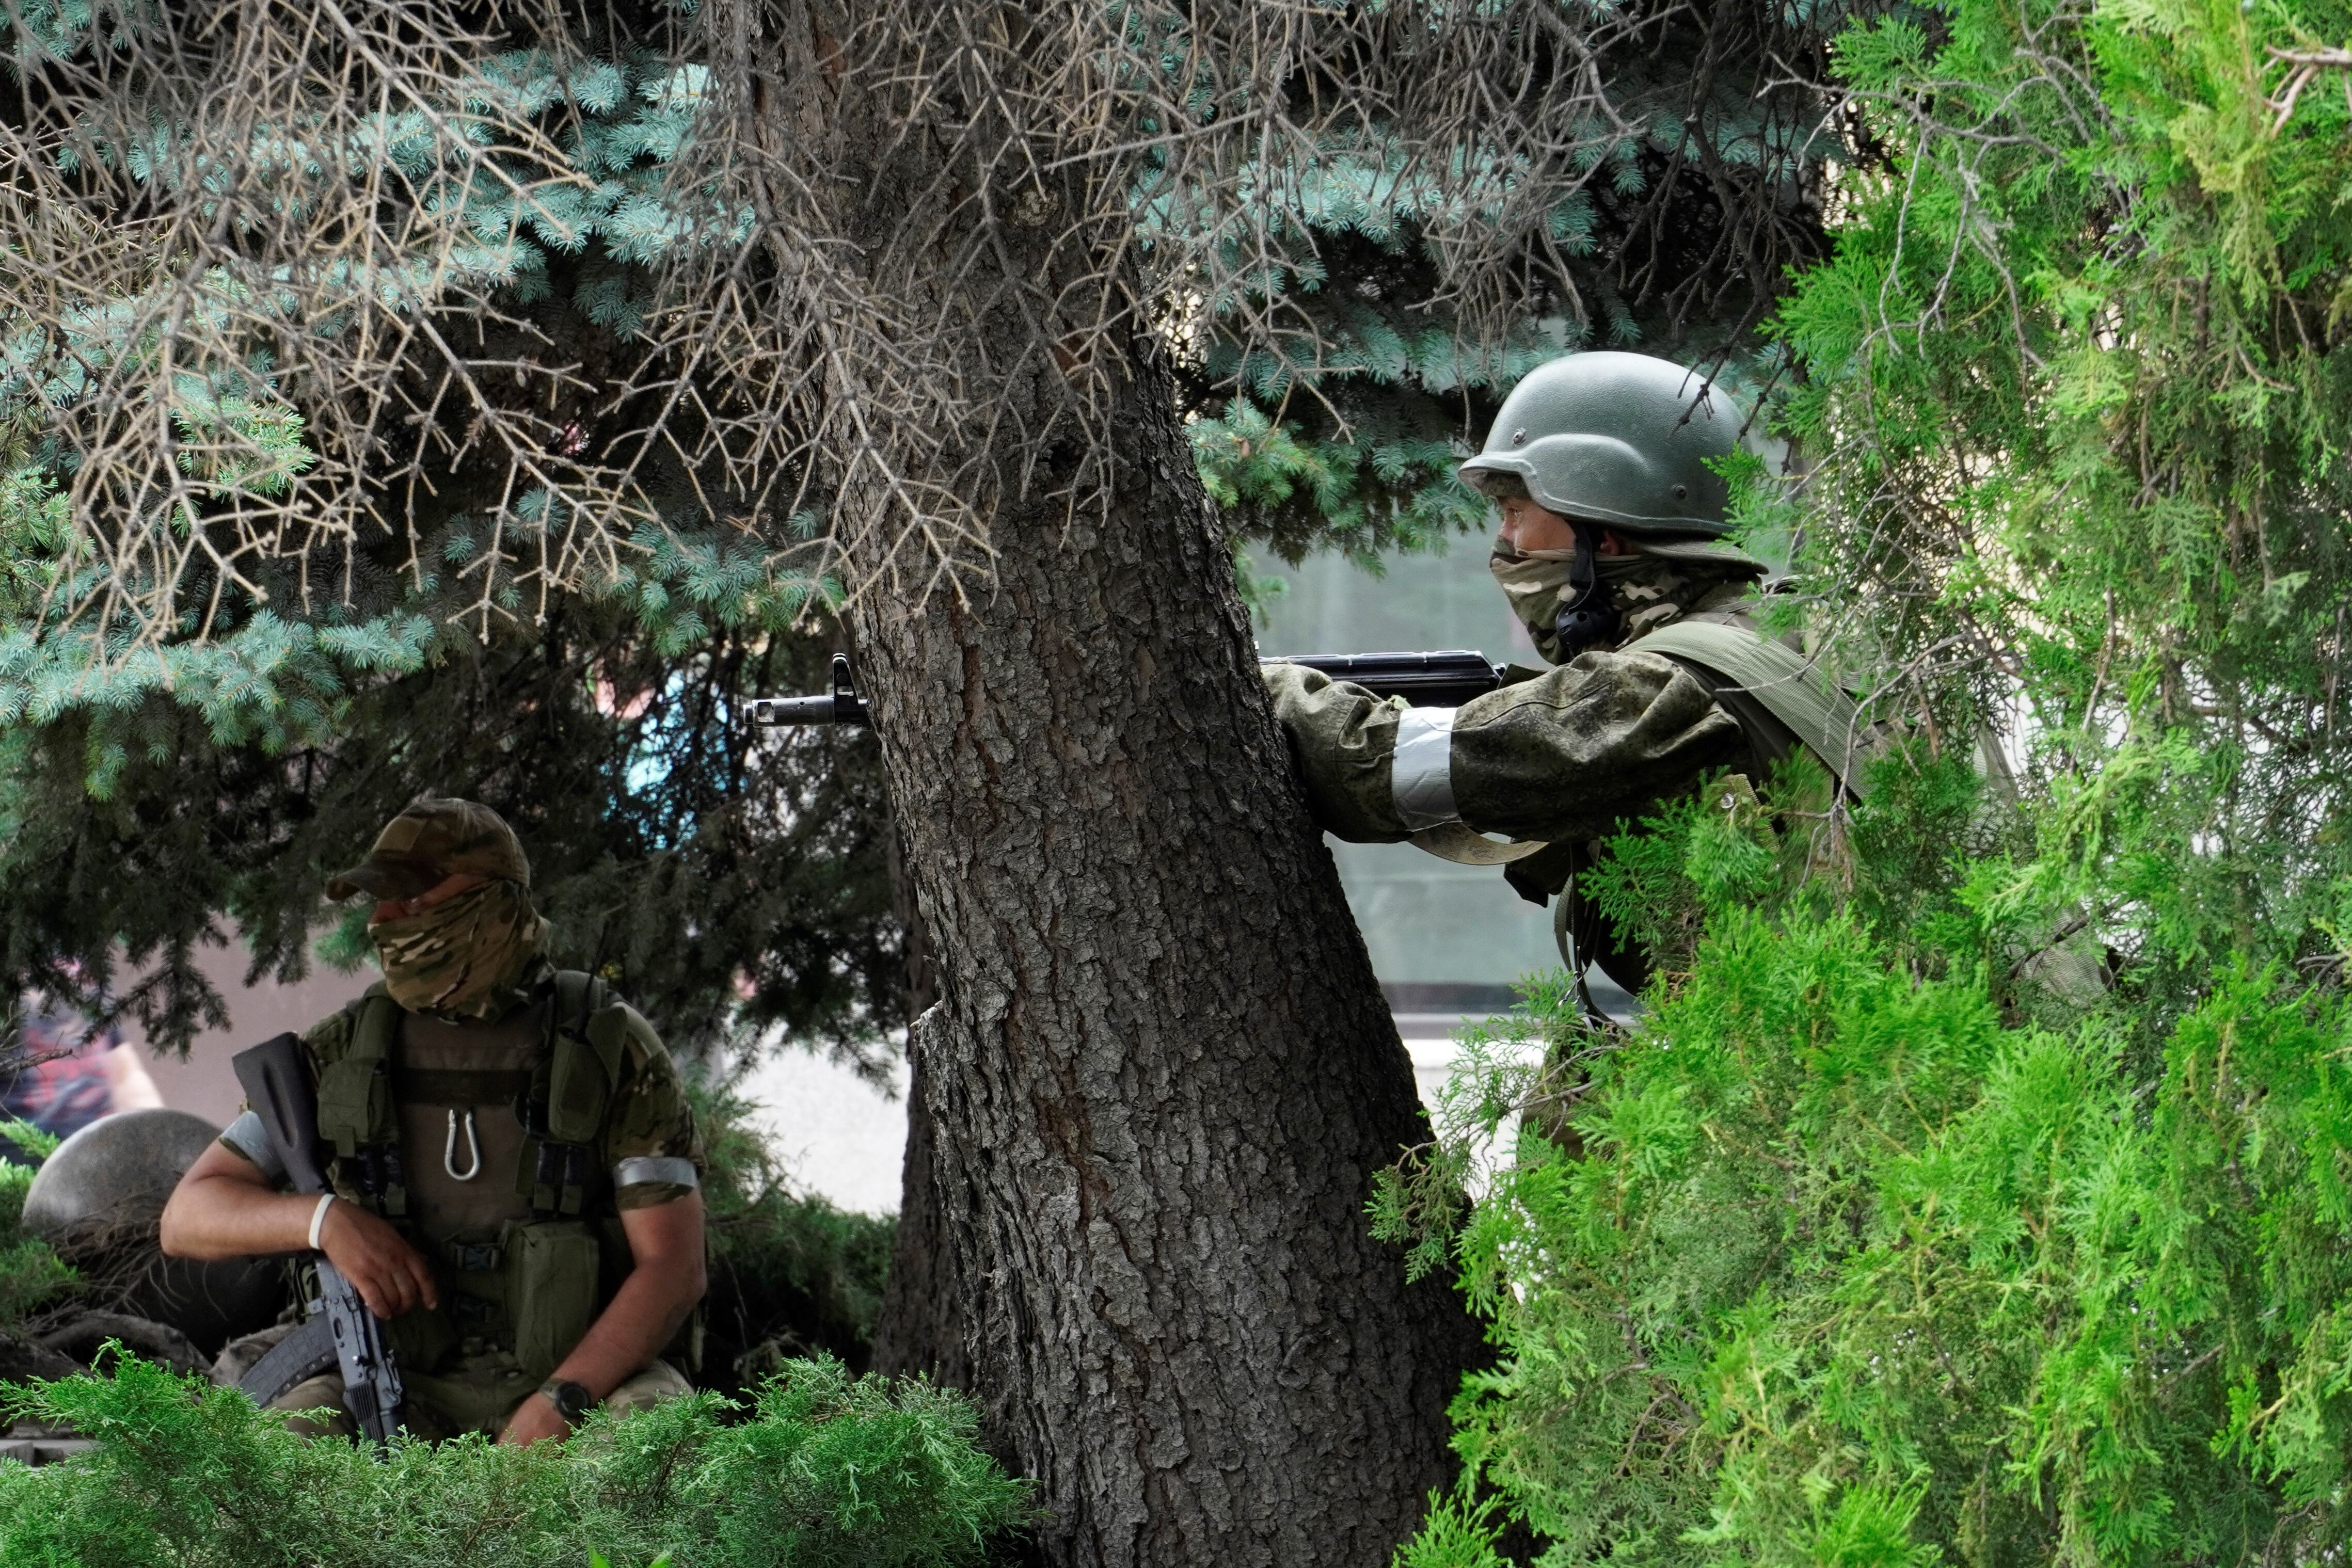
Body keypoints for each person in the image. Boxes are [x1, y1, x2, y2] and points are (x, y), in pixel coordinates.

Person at [1261, 351, 1871, 1016]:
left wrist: (1260, 688)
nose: (1505, 538)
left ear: (1599, 532)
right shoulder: (1795, 630)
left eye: (1516, 509)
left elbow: (1374, 766)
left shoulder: (1660, 688)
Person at [160, 796, 707, 1445]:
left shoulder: (607, 1044)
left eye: (412, 901)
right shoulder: (342, 1051)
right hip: (387, 1373)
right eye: (380, 904)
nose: (385, 921)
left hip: (582, 1374)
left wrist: (562, 1400)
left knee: (656, 1446)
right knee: (280, 1463)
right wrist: (324, 1220)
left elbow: (673, 1266)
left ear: (494, 900)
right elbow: (188, 1214)